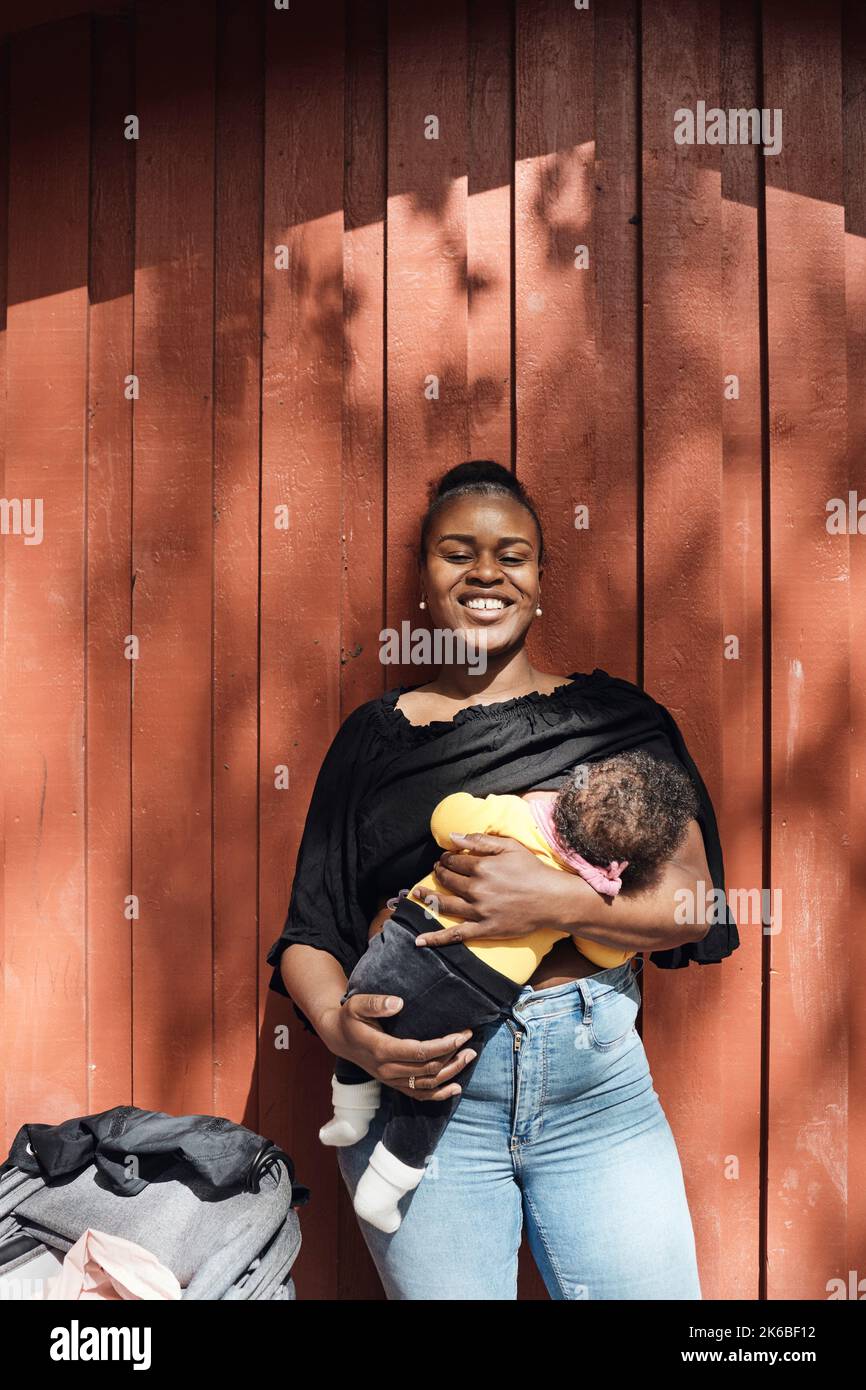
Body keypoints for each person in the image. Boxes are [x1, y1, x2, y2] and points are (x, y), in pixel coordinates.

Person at [266, 459, 739, 1300]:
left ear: (541, 581)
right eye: (458, 553)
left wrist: (551, 898)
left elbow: (693, 906)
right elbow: (311, 935)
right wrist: (345, 1033)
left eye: (511, 555)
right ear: (423, 581)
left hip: (597, 1093)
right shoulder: (375, 740)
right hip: (423, 1091)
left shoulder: (614, 719)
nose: (486, 572)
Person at [319, 752, 700, 1234]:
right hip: (479, 994)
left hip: (408, 946)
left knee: (373, 1012)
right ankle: (388, 1182)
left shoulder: (517, 814)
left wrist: (500, 832)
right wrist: (576, 908)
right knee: (433, 1091)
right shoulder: (594, 880)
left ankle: (349, 1113)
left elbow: (448, 820)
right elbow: (601, 950)